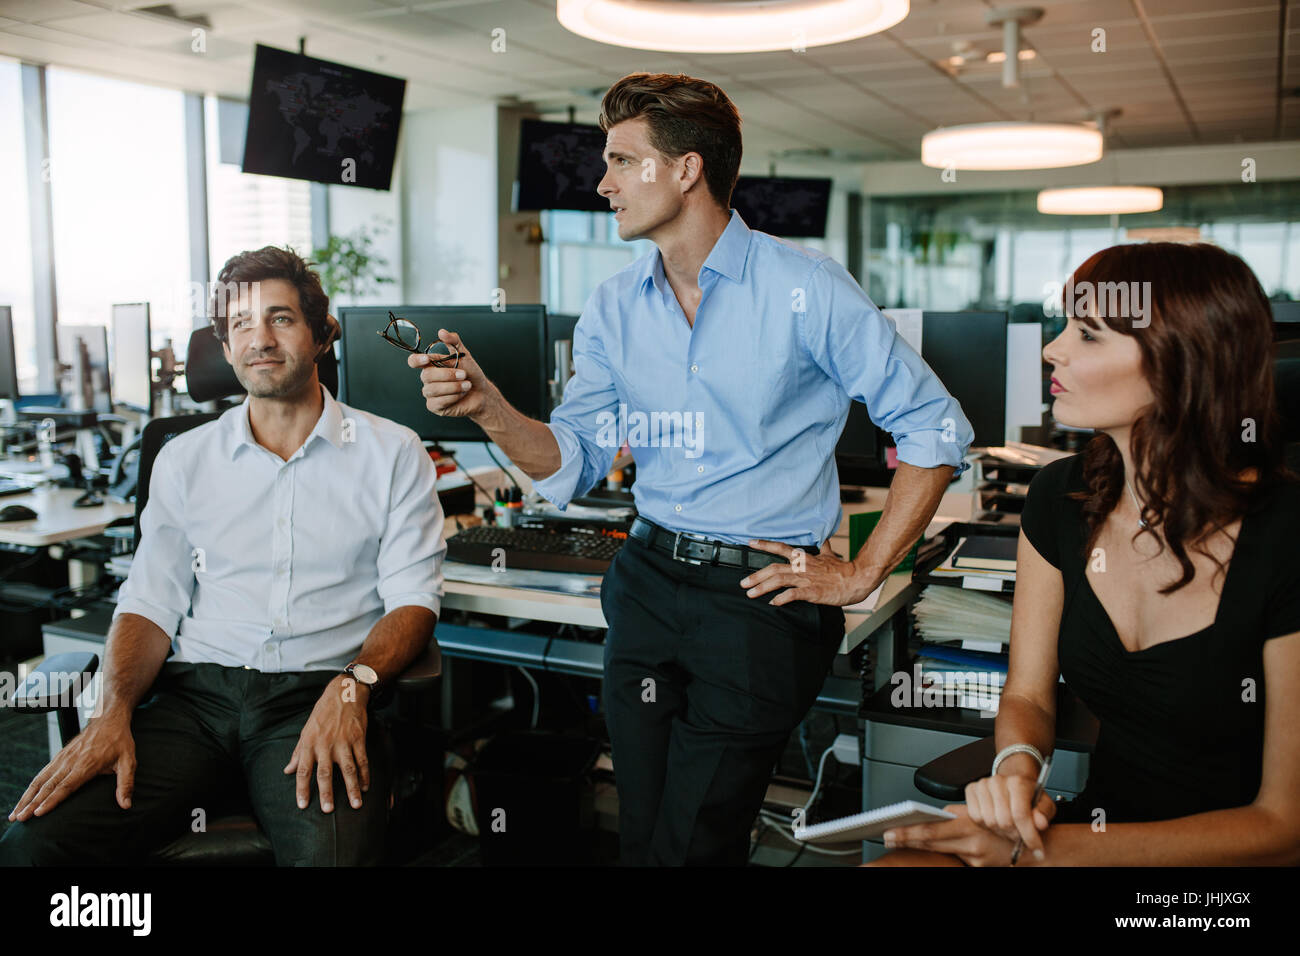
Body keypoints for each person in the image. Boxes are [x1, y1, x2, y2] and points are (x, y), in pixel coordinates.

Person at [407, 72, 973, 865]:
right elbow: (575, 462)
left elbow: (934, 426)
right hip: (646, 583)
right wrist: (487, 408)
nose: (602, 184)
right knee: (643, 830)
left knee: (694, 842)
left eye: (621, 161)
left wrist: (863, 573)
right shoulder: (614, 306)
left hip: (757, 600)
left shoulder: (805, 288)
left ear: (686, 169)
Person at [0, 247, 446, 866]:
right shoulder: (185, 459)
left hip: (318, 693)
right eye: (241, 324)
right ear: (226, 348)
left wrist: (354, 687)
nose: (260, 339)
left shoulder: (392, 453)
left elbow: (413, 603)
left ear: (320, 336)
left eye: (281, 319)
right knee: (32, 846)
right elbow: (149, 603)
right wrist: (111, 712)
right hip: (194, 704)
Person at [872, 242, 1300, 867]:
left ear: (1181, 362)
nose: (1053, 350)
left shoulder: (1285, 536)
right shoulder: (1061, 498)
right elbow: (1029, 696)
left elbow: (1283, 826)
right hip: (1096, 833)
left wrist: (1036, 854)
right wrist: (1016, 773)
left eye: (1089, 334)